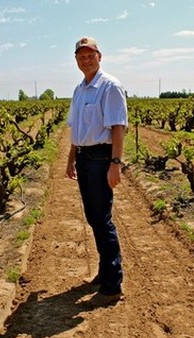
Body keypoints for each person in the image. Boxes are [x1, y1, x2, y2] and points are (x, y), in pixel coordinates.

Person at [66, 36, 128, 305]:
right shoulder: (80, 89)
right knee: (93, 217)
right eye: (81, 55)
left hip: (101, 159)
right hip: (83, 157)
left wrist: (115, 164)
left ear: (100, 56)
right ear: (76, 59)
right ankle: (105, 271)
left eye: (90, 54)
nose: (86, 59)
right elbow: (75, 130)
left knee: (102, 219)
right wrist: (71, 159)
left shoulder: (110, 86)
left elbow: (118, 127)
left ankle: (112, 285)